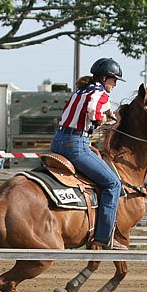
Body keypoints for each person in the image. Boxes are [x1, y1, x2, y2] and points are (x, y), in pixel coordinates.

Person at [50, 57, 125, 250]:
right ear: (104, 78)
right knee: (113, 184)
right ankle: (104, 237)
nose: (115, 84)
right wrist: (103, 121)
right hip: (76, 144)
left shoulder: (79, 91)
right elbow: (94, 112)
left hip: (58, 142)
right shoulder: (100, 93)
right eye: (113, 79)